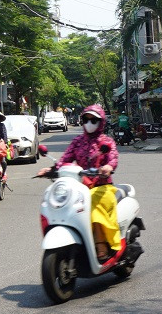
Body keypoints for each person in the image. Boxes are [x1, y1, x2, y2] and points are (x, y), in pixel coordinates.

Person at [44, 104, 121, 263]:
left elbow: (113, 158)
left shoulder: (106, 141)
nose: (89, 123)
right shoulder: (77, 141)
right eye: (86, 119)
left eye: (94, 120)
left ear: (101, 122)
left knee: (91, 205)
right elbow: (65, 160)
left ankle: (101, 244)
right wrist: (51, 169)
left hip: (102, 186)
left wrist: (108, 167)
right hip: (80, 187)